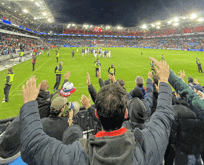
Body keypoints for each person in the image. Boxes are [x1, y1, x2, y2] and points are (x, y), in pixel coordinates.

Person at [20, 58, 174, 165]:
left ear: (97, 115)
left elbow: (33, 146)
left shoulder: (76, 156)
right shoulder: (146, 148)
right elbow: (164, 115)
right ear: (125, 114)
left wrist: (29, 103)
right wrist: (165, 82)